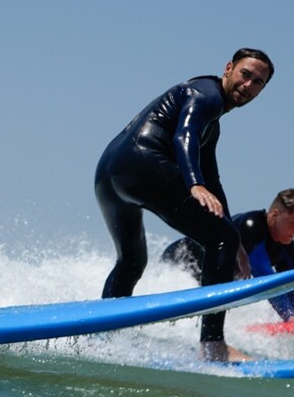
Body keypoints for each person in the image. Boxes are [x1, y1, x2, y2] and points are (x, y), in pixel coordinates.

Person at [95, 48, 274, 362]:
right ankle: (213, 344)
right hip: (142, 163)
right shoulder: (206, 96)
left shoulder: (212, 121)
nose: (248, 85)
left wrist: (234, 239)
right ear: (229, 68)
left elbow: (213, 180)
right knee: (220, 239)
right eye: (246, 74)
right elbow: (184, 136)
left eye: (258, 82)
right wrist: (194, 184)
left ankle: (103, 338)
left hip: (109, 175)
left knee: (132, 262)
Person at [161, 188, 294, 322]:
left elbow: (291, 287)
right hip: (181, 258)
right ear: (274, 214)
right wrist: (290, 316)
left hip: (206, 278)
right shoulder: (252, 226)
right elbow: (263, 275)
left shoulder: (287, 249)